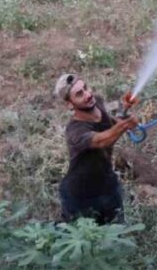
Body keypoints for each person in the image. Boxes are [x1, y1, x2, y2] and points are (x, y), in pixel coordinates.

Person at [54, 72, 140, 225]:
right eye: (79, 94)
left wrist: (124, 109)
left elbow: (109, 123)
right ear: (69, 104)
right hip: (80, 195)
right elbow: (101, 141)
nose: (88, 95)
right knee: (83, 239)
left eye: (86, 88)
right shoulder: (75, 131)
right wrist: (125, 125)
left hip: (107, 183)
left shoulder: (96, 102)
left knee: (117, 229)